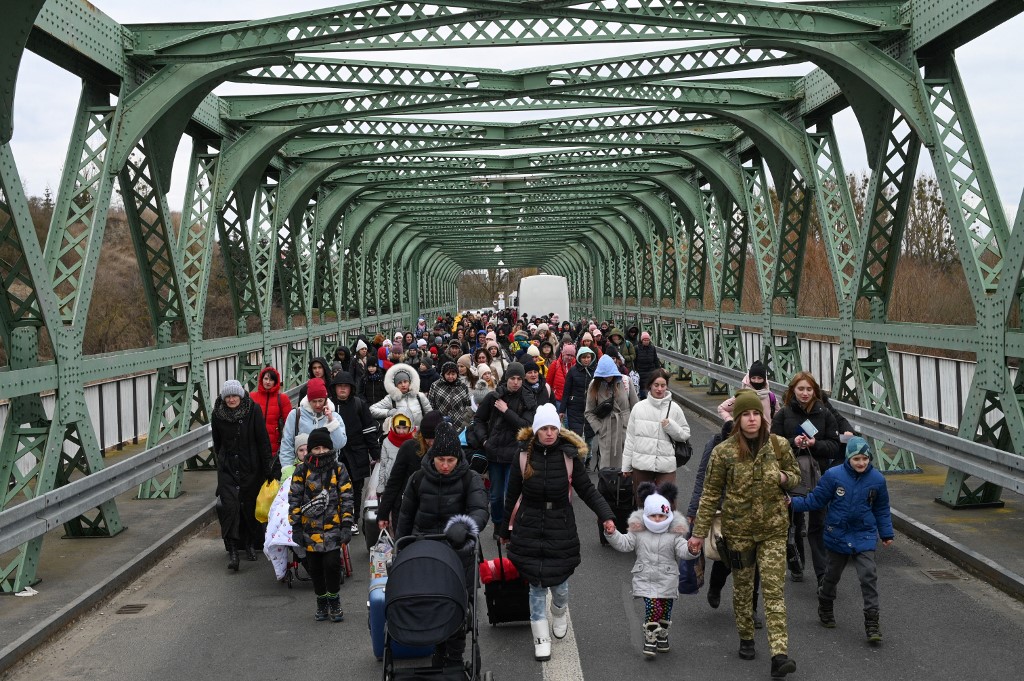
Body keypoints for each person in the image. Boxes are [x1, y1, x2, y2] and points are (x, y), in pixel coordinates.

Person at [689, 390, 801, 679]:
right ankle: (746, 637)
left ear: (763, 418)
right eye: (746, 415)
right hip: (738, 531)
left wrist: (785, 478)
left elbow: (796, 474)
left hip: (773, 530)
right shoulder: (723, 452)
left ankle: (779, 654)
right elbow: (711, 493)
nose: (752, 419)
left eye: (756, 414)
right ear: (737, 420)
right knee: (743, 587)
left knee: (774, 590)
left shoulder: (778, 446)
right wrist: (698, 534)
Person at [499, 403, 616, 661]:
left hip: (560, 525)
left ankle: (560, 610)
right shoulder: (522, 455)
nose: (549, 433)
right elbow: (512, 494)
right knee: (536, 586)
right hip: (529, 525)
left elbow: (587, 489)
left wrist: (606, 515)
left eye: (553, 428)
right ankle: (541, 638)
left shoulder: (568, 456)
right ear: (537, 430)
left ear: (558, 430)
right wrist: (504, 528)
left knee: (560, 584)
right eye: (544, 429)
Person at [395, 421, 489, 669]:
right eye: (441, 460)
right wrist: (400, 552)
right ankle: (439, 651)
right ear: (432, 457)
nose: (445, 466)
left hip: (458, 551)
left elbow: (480, 510)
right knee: (430, 603)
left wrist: (465, 525)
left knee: (457, 607)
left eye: (450, 460)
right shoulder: (417, 479)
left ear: (458, 458)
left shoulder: (470, 479)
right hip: (423, 547)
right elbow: (405, 517)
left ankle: (455, 658)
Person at [790, 436, 893, 643]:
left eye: (865, 458)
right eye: (857, 459)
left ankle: (872, 622)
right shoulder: (833, 476)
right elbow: (817, 499)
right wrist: (792, 503)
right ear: (849, 459)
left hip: (864, 534)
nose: (861, 463)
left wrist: (886, 533)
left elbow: (881, 509)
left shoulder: (877, 480)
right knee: (831, 576)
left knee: (868, 576)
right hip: (837, 534)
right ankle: (825, 603)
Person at [605, 481, 700, 657]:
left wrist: (691, 550)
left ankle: (662, 634)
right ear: (646, 515)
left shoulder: (674, 533)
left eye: (661, 516)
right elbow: (625, 544)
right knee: (653, 608)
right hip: (645, 578)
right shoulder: (638, 532)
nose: (657, 519)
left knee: (665, 610)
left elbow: (682, 550)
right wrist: (612, 534)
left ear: (668, 515)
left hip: (667, 579)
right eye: (653, 516)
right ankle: (650, 638)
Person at [771, 371, 842, 584]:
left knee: (818, 522)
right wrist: (794, 442)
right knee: (794, 519)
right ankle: (797, 563)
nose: (805, 393)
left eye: (809, 389)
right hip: (792, 475)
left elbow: (834, 447)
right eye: (800, 389)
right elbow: (773, 445)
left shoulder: (825, 414)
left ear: (815, 391)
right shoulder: (783, 415)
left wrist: (814, 444)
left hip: (819, 475)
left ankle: (822, 574)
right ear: (793, 390)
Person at [289, 427, 354, 623]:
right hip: (310, 529)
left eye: (324, 448)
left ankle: (334, 599)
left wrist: (346, 525)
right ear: (310, 450)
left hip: (333, 527)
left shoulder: (338, 469)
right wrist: (296, 526)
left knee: (332, 564)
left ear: (330, 448)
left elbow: (347, 497)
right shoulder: (302, 470)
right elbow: (294, 498)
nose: (320, 452)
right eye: (315, 448)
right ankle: (321, 600)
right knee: (315, 567)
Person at [211, 379, 274, 570]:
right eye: (228, 396)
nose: (231, 399)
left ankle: (248, 545)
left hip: (250, 468)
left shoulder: (252, 410)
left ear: (240, 395)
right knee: (230, 508)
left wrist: (267, 469)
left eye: (234, 396)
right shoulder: (217, 414)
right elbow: (217, 441)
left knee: (248, 508)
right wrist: (222, 463)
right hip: (228, 469)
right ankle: (232, 551)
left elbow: (263, 440)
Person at [472, 362, 537, 531]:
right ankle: (498, 523)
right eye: (512, 378)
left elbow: (527, 426)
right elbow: (478, 419)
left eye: (519, 379)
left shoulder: (528, 398)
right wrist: (485, 441)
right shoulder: (493, 397)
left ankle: (509, 527)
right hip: (494, 452)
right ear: (506, 378)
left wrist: (506, 411)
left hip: (515, 453)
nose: (515, 382)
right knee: (495, 496)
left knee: (511, 494)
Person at [621, 369, 690, 505]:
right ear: (650, 386)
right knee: (643, 505)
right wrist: (626, 466)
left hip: (666, 464)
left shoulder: (674, 408)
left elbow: (684, 434)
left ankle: (668, 526)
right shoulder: (638, 408)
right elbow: (630, 438)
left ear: (667, 386)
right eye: (656, 385)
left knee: (668, 504)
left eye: (663, 385)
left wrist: (671, 426)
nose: (659, 389)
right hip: (641, 463)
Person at [329, 371, 381, 536]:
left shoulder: (359, 404)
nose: (342, 390)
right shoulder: (329, 406)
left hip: (356, 452)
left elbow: (369, 430)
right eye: (339, 386)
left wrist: (376, 454)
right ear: (335, 388)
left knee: (355, 488)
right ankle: (337, 519)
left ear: (351, 388)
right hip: (336, 454)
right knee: (335, 488)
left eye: (346, 387)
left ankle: (353, 519)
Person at [378, 411, 443, 530]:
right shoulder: (409, 448)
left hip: (435, 512)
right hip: (406, 509)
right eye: (428, 438)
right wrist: (383, 513)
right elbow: (394, 482)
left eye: (435, 438)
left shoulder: (447, 450)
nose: (432, 442)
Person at [585, 354, 638, 471]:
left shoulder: (626, 381)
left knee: (627, 467)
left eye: (610, 374)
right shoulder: (594, 386)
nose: (607, 377)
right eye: (604, 375)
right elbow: (589, 412)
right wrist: (600, 428)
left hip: (625, 429)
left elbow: (636, 407)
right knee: (607, 470)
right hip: (606, 431)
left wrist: (634, 429)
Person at [279, 377, 347, 469]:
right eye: (314, 401)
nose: (318, 405)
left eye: (320, 401)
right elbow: (287, 444)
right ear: (308, 400)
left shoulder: (335, 417)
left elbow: (340, 444)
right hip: (302, 471)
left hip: (328, 470)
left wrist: (331, 420)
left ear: (326, 399)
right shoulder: (295, 415)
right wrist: (287, 470)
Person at [560, 346, 596, 467]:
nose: (586, 360)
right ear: (580, 358)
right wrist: (562, 410)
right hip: (574, 407)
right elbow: (566, 391)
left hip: (591, 408)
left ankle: (588, 457)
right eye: (584, 357)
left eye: (588, 357)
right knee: (577, 434)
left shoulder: (595, 371)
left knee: (590, 435)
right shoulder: (573, 371)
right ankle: (579, 460)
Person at [370, 362, 433, 427]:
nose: (403, 385)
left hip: (419, 434)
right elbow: (372, 410)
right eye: (399, 383)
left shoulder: (419, 396)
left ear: (409, 382)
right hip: (401, 434)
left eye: (405, 381)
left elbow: (430, 415)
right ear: (395, 385)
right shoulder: (391, 398)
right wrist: (388, 412)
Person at [250, 366, 292, 459]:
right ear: (261, 379)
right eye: (266, 378)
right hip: (255, 444)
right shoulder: (252, 397)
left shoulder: (282, 398)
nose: (268, 382)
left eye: (271, 379)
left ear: (276, 382)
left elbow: (289, 423)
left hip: (275, 445)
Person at [377, 412, 414, 498]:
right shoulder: (387, 442)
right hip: (391, 484)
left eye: (405, 428)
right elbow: (383, 465)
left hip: (411, 486)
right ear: (393, 427)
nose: (401, 431)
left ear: (410, 427)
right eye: (398, 427)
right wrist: (381, 485)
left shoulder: (416, 442)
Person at [428, 360, 473, 427]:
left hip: (460, 422)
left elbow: (468, 403)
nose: (451, 376)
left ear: (457, 374)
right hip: (441, 422)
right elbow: (431, 404)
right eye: (448, 374)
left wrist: (465, 418)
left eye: (453, 374)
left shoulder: (462, 386)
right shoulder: (435, 385)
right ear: (443, 374)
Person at [546, 343, 575, 408]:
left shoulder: (576, 366)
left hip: (571, 400)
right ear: (563, 354)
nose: (569, 357)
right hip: (558, 399)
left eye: (572, 355)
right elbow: (548, 383)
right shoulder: (555, 364)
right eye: (567, 355)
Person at [633, 332, 661, 399]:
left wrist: (658, 370)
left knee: (651, 385)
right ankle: (643, 400)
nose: (646, 341)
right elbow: (634, 360)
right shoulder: (637, 348)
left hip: (651, 370)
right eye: (644, 340)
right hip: (641, 371)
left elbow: (655, 359)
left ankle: (651, 398)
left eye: (647, 340)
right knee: (642, 386)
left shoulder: (652, 348)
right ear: (642, 340)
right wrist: (635, 370)